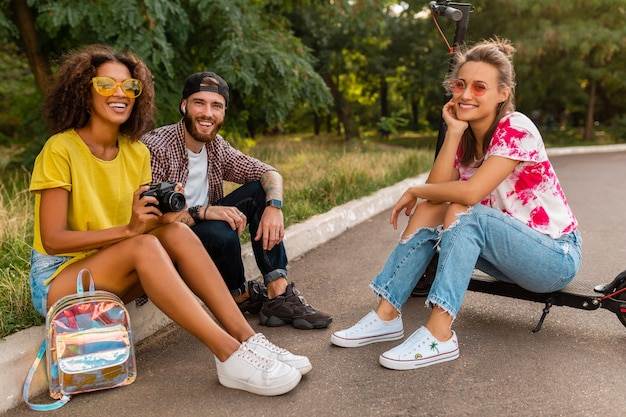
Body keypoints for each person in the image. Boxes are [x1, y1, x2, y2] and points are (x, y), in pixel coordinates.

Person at [29, 44, 312, 397]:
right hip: (61, 279)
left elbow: (144, 225)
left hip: (113, 265)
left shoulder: (136, 152)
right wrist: (133, 230)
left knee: (174, 231)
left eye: (129, 87)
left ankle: (250, 339)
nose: (120, 94)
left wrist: (164, 219)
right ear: (84, 90)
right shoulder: (60, 150)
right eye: (106, 85)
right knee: (146, 244)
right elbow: (53, 239)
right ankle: (228, 355)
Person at [330, 38, 582, 370]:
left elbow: (469, 194)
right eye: (460, 85)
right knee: (430, 209)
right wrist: (452, 133)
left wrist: (415, 188)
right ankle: (386, 314)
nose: (465, 95)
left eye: (480, 88)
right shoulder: (466, 137)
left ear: (502, 93)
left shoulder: (516, 127)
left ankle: (440, 334)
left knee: (465, 212)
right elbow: (436, 194)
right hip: (508, 255)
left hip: (553, 257)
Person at [140, 72, 332, 330]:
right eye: (199, 103)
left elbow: (267, 172)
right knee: (221, 231)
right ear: (184, 105)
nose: (208, 113)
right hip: (168, 240)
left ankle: (277, 292)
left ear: (224, 112)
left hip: (203, 230)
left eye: (216, 106)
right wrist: (204, 212)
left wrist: (274, 207)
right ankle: (239, 294)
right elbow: (148, 220)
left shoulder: (216, 147)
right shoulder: (156, 147)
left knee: (260, 191)